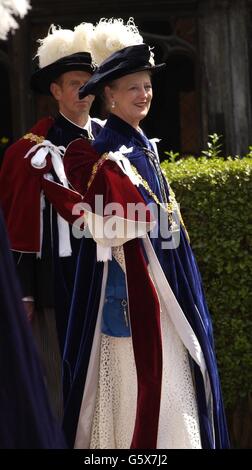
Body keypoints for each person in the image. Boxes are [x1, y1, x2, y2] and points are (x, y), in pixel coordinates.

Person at [61, 18, 230, 449]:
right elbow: (108, 228)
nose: (144, 94)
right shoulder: (102, 152)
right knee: (143, 396)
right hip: (134, 299)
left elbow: (164, 226)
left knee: (174, 390)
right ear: (109, 96)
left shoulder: (141, 147)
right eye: (133, 87)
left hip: (168, 292)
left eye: (147, 86)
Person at [0, 22, 103, 418]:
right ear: (56, 91)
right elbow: (17, 224)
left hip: (106, 276)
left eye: (89, 83)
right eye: (74, 83)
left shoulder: (110, 141)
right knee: (59, 382)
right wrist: (24, 291)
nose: (82, 91)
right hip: (56, 280)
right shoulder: (30, 153)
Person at [0, 208, 66, 448]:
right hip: (42, 289)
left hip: (72, 285)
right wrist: (25, 292)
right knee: (51, 371)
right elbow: (19, 220)